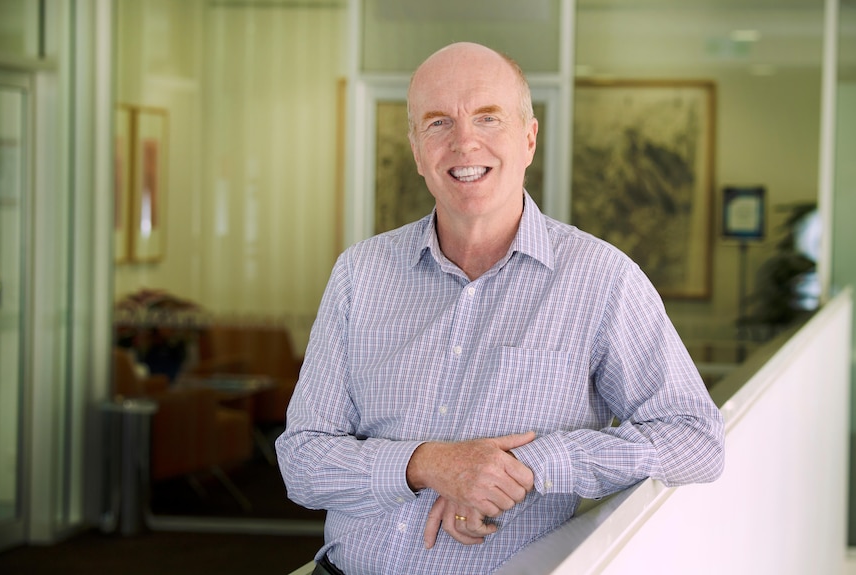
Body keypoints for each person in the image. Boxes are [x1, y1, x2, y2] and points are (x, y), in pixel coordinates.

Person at [276, 41, 725, 575]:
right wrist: (427, 465)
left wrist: (522, 469)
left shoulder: (602, 280)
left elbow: (694, 439)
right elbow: (302, 461)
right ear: (418, 151)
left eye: (488, 118)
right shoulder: (360, 274)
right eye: (438, 123)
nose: (464, 142)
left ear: (529, 138)